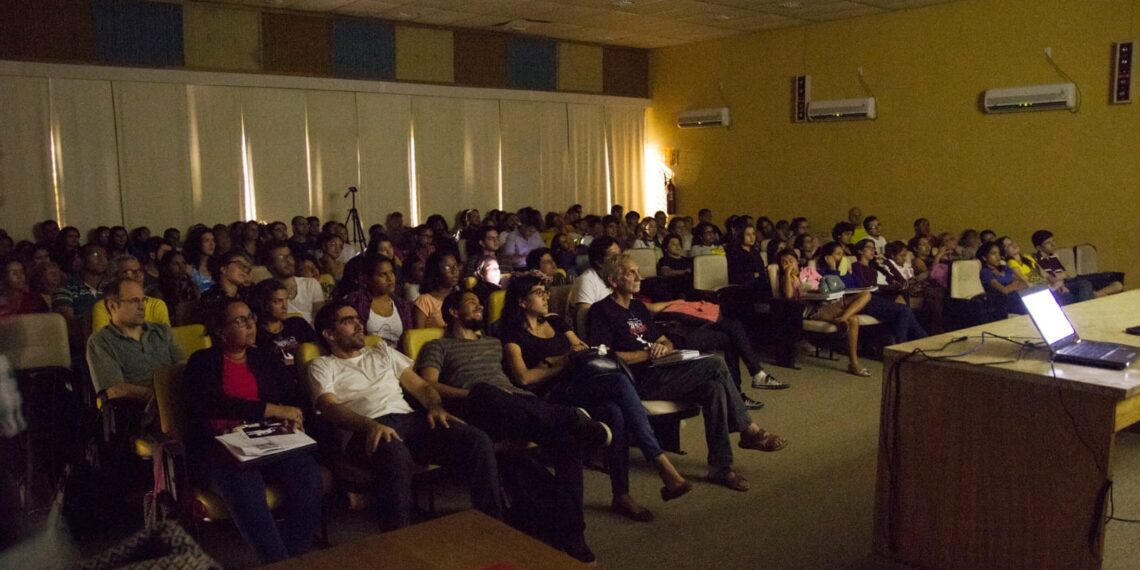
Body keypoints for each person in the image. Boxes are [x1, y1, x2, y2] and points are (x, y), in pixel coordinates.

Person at [416, 290, 612, 563]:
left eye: (479, 302)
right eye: (472, 303)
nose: (480, 307)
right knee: (486, 390)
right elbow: (429, 384)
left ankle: (574, 534)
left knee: (567, 442)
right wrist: (470, 395)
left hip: (517, 407)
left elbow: (518, 380)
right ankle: (570, 417)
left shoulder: (494, 343)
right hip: (478, 408)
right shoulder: (438, 346)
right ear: (453, 312)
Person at [589, 253, 788, 493]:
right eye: (631, 272)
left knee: (714, 388)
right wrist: (648, 355)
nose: (639, 276)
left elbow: (664, 340)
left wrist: (665, 348)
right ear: (613, 279)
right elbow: (605, 357)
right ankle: (749, 430)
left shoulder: (638, 307)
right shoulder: (601, 311)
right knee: (715, 363)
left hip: (664, 370)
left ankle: (720, 468)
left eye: (638, 271)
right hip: (637, 380)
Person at [500, 275, 690, 522]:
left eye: (546, 291)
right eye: (538, 292)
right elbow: (524, 378)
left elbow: (582, 350)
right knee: (619, 383)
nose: (546, 296)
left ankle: (621, 494)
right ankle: (660, 462)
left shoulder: (556, 322)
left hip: (579, 382)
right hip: (552, 395)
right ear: (522, 302)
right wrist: (561, 363)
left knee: (615, 411)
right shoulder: (513, 336)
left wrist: (561, 360)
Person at [307, 301, 501, 530]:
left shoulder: (382, 351)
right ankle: (399, 540)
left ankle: (494, 523)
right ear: (329, 333)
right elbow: (329, 407)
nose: (359, 325)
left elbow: (420, 387)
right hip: (364, 429)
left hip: (408, 420)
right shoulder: (322, 365)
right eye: (348, 321)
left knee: (476, 439)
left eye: (358, 319)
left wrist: (435, 407)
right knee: (395, 454)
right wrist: (370, 425)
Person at [184, 299, 323, 563]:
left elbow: (292, 396)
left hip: (268, 438)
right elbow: (209, 404)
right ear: (220, 330)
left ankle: (296, 556)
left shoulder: (263, 358)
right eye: (240, 321)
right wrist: (270, 409)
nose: (250, 325)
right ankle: (276, 562)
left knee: (307, 474)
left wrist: (293, 415)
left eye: (251, 318)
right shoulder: (201, 361)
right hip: (220, 446)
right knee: (245, 487)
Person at [785, 246, 872, 376]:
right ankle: (854, 364)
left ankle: (842, 318)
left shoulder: (809, 271)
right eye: (784, 262)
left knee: (866, 294)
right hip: (813, 308)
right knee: (854, 319)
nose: (788, 264)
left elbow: (829, 283)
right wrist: (787, 274)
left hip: (829, 301)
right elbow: (788, 296)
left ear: (797, 261)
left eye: (791, 260)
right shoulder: (787, 279)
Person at [249, 279, 317, 393]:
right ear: (263, 304)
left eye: (286, 300)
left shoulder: (297, 324)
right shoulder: (256, 334)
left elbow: (319, 350)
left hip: (308, 378)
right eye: (278, 301)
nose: (285, 306)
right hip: (279, 386)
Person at [345, 256, 414, 348]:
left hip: (397, 357)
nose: (390, 279)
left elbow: (408, 338)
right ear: (367, 279)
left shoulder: (402, 305)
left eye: (392, 273)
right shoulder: (356, 301)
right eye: (383, 274)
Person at [1032, 230, 1123, 299]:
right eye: (1048, 243)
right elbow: (1051, 279)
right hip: (1064, 284)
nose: (1053, 245)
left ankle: (1096, 294)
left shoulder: (1053, 258)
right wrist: (1060, 276)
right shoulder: (1035, 260)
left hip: (1070, 279)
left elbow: (1065, 274)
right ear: (1039, 247)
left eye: (1053, 241)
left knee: (1117, 283)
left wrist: (1061, 275)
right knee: (1084, 283)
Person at [91, 254, 171, 332]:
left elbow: (166, 340)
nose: (138, 275)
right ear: (115, 278)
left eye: (139, 270)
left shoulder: (157, 305)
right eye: (128, 271)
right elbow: (103, 342)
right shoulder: (103, 307)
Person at [263, 242, 325, 324]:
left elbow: (320, 318)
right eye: (281, 258)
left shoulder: (310, 284)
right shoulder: (266, 291)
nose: (289, 261)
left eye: (289, 256)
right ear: (270, 265)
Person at [568, 237, 619, 325]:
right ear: (599, 262)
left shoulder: (618, 277)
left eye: (620, 255)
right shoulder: (586, 280)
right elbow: (584, 320)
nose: (620, 261)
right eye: (614, 257)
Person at [52, 243, 108, 324]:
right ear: (81, 259)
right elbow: (67, 322)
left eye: (105, 255)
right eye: (95, 254)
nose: (102, 259)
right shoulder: (66, 289)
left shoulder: (114, 286)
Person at [412, 250, 460, 329]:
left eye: (455, 266)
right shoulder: (425, 301)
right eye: (447, 268)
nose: (454, 271)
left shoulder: (460, 296)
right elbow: (418, 336)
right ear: (436, 272)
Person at [977, 241, 1027, 314]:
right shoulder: (985, 272)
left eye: (999, 253)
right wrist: (1015, 284)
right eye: (993, 254)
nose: (998, 257)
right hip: (1004, 304)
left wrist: (1011, 287)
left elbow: (1024, 283)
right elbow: (1004, 291)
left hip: (1020, 298)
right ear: (984, 257)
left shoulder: (1005, 268)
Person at [656, 233, 693, 298]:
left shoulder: (688, 260)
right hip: (674, 288)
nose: (677, 246)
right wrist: (684, 272)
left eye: (678, 244)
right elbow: (665, 272)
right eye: (673, 244)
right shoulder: (665, 260)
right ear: (666, 248)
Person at [183, 226, 217, 294]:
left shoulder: (216, 266)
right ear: (197, 243)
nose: (212, 244)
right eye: (207, 240)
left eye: (213, 240)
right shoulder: (189, 269)